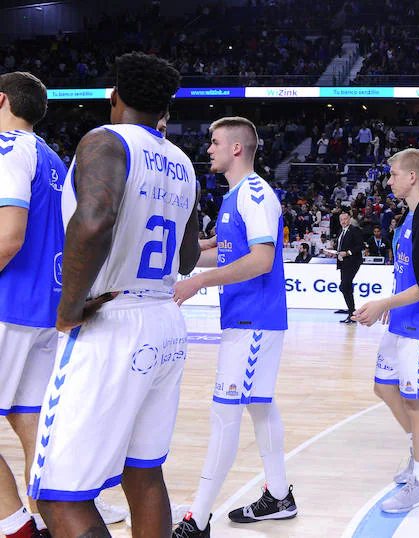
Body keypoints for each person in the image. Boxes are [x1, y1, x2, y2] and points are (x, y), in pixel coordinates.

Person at [29, 52, 200, 538]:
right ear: (165, 107)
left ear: (114, 95)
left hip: (111, 322)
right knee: (144, 474)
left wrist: (68, 310)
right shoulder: (182, 162)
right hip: (164, 320)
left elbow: (94, 220)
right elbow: (186, 258)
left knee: (58, 497)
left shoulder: (105, 141)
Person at [170, 117, 295, 537]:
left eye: (215, 142)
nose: (209, 149)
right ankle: (279, 496)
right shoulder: (234, 197)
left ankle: (198, 519)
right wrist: (176, 267)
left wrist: (199, 282)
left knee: (224, 415)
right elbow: (221, 258)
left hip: (254, 320)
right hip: (247, 320)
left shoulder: (255, 194)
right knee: (260, 406)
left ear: (237, 149)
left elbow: (261, 260)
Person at [353, 148, 419, 513]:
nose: (390, 179)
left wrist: (383, 303)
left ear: (412, 176)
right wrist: (389, 308)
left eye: (394, 173)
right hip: (402, 321)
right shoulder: (411, 217)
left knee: (418, 403)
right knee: (383, 386)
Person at [0, 71, 69, 538]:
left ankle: (16, 527)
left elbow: (9, 236)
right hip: (45, 311)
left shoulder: (7, 147)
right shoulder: (52, 158)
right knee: (30, 421)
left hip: (7, 306)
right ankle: (48, 521)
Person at [335, 210, 363, 322]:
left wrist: (347, 253)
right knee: (346, 287)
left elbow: (360, 246)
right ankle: (352, 314)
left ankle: (352, 313)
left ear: (349, 219)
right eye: (341, 220)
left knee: (344, 286)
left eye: (345, 219)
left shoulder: (355, 230)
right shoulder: (340, 231)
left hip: (352, 262)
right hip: (343, 263)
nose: (343, 221)